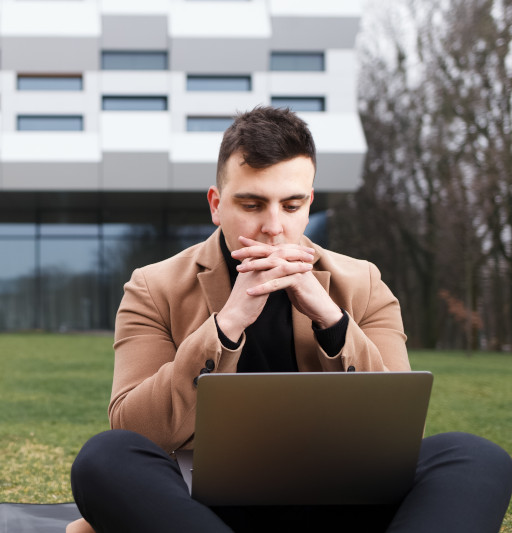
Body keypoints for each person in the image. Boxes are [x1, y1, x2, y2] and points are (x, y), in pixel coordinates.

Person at [68, 106, 512, 533]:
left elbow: (397, 425)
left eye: (292, 205)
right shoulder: (153, 287)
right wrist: (226, 325)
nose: (274, 227)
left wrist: (331, 318)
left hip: (344, 498)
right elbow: (134, 429)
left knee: (476, 457)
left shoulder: (364, 282)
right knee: (104, 458)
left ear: (310, 204)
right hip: (207, 508)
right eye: (253, 204)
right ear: (216, 205)